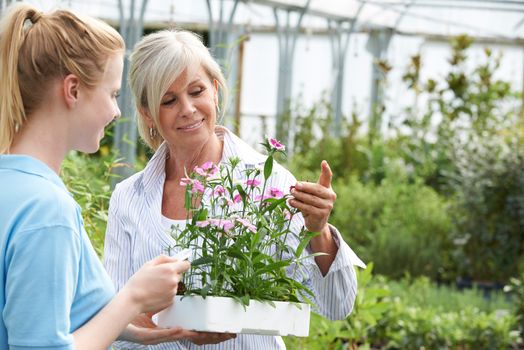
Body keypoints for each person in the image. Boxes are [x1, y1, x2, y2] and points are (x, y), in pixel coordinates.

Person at [104, 29, 365, 349]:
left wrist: (318, 230)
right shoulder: (130, 197)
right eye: (169, 100)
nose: (187, 108)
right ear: (147, 114)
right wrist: (169, 327)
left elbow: (337, 306)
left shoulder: (271, 184)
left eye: (196, 90)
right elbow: (115, 317)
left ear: (215, 91)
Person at [0, 4, 203, 349]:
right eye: (111, 94)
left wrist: (125, 326)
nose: (116, 111)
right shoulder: (47, 212)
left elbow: (29, 318)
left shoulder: (14, 185)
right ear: (73, 90)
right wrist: (134, 299)